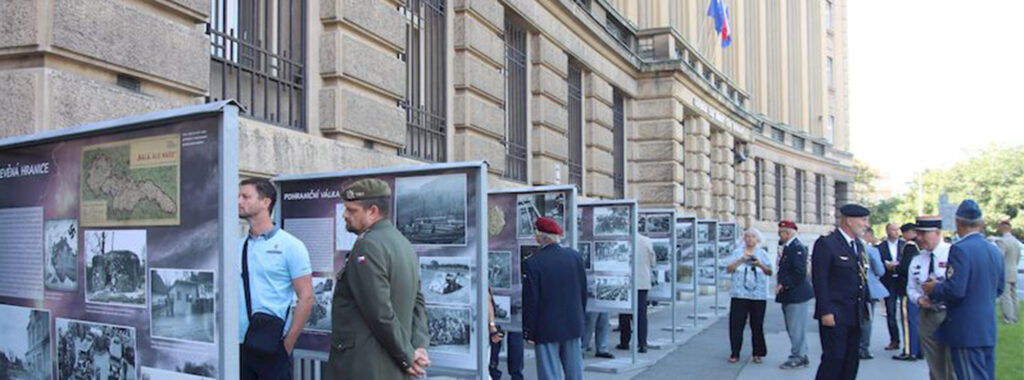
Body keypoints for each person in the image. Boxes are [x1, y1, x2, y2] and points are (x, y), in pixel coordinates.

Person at [327, 178, 430, 378]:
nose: (344, 215)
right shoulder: (402, 242)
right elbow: (418, 302)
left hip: (365, 366)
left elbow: (379, 312)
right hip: (389, 365)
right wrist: (418, 346)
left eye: (352, 210)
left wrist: (407, 356)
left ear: (372, 211)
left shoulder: (368, 245)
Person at [238, 178, 314, 379]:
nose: (239, 201)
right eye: (239, 196)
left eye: (245, 196)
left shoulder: (291, 246)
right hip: (239, 347)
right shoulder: (237, 247)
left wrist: (287, 344)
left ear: (266, 202)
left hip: (272, 347)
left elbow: (306, 296)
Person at [924, 200, 1005, 380]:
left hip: (965, 329)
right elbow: (999, 288)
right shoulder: (994, 250)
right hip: (986, 328)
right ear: (981, 223)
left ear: (958, 222)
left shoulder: (960, 250)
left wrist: (934, 288)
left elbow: (956, 290)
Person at [811, 203, 871, 380]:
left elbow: (861, 279)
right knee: (834, 358)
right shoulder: (827, 244)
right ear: (849, 221)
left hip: (855, 313)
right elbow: (820, 281)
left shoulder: (857, 246)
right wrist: (826, 311)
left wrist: (865, 308)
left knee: (851, 360)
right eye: (862, 219)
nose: (865, 224)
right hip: (835, 313)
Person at [523, 217, 587, 380]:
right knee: (575, 373)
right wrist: (581, 318)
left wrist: (529, 331)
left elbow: (531, 301)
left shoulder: (533, 263)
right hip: (573, 323)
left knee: (549, 374)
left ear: (540, 235)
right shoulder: (575, 257)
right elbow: (583, 292)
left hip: (546, 326)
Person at [906, 216, 954, 380]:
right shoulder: (918, 259)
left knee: (953, 367)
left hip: (950, 314)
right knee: (935, 367)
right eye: (918, 233)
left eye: (924, 233)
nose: (919, 238)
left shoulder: (953, 253)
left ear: (937, 232)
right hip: (928, 316)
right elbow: (911, 288)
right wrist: (919, 299)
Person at [725, 228, 772, 364]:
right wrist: (741, 260)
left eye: (753, 237)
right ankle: (735, 352)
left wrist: (759, 264)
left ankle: (758, 352)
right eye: (747, 236)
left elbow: (769, 271)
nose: (750, 239)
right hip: (739, 293)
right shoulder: (737, 252)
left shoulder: (762, 253)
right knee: (736, 324)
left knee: (757, 324)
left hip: (758, 294)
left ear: (757, 239)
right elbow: (729, 269)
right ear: (744, 239)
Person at [775, 220, 814, 369]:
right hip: (791, 294)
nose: (779, 235)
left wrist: (783, 284)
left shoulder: (796, 248)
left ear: (787, 233)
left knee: (796, 327)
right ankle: (800, 354)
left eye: (781, 233)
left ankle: (798, 356)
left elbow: (799, 272)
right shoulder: (789, 247)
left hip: (796, 294)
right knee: (793, 327)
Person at [617, 234, 656, 353]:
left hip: (625, 282)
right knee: (641, 314)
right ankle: (642, 343)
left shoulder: (621, 241)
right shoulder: (646, 241)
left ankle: (625, 342)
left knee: (624, 312)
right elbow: (653, 262)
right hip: (642, 281)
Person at [893, 222, 922, 361]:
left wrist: (894, 268)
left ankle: (910, 350)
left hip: (907, 288)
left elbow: (905, 267)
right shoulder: (921, 245)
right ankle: (919, 349)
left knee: (908, 321)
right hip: (920, 288)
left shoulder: (910, 246)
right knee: (919, 321)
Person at [859, 228, 889, 360]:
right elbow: (880, 271)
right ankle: (863, 348)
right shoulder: (871, 250)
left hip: (849, 290)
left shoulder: (847, 247)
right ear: (867, 235)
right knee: (866, 319)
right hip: (868, 289)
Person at [877, 223, 905, 351]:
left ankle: (910, 342)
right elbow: (877, 263)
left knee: (906, 312)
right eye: (892, 229)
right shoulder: (880, 247)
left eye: (896, 229)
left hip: (902, 281)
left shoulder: (904, 245)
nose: (895, 232)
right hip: (888, 281)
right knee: (891, 311)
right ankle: (894, 340)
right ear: (887, 231)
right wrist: (885, 265)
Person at [488, 288, 524, 380]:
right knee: (515, 339)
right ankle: (516, 374)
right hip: (516, 300)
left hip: (497, 297)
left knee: (496, 338)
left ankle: (493, 370)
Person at [993, 220, 1020, 325]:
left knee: (1005, 295)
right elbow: (1017, 257)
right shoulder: (1015, 241)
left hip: (1005, 271)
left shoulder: (1002, 241)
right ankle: (1015, 316)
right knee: (1014, 295)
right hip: (1013, 269)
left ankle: (1008, 318)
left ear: (1002, 228)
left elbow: (1000, 258)